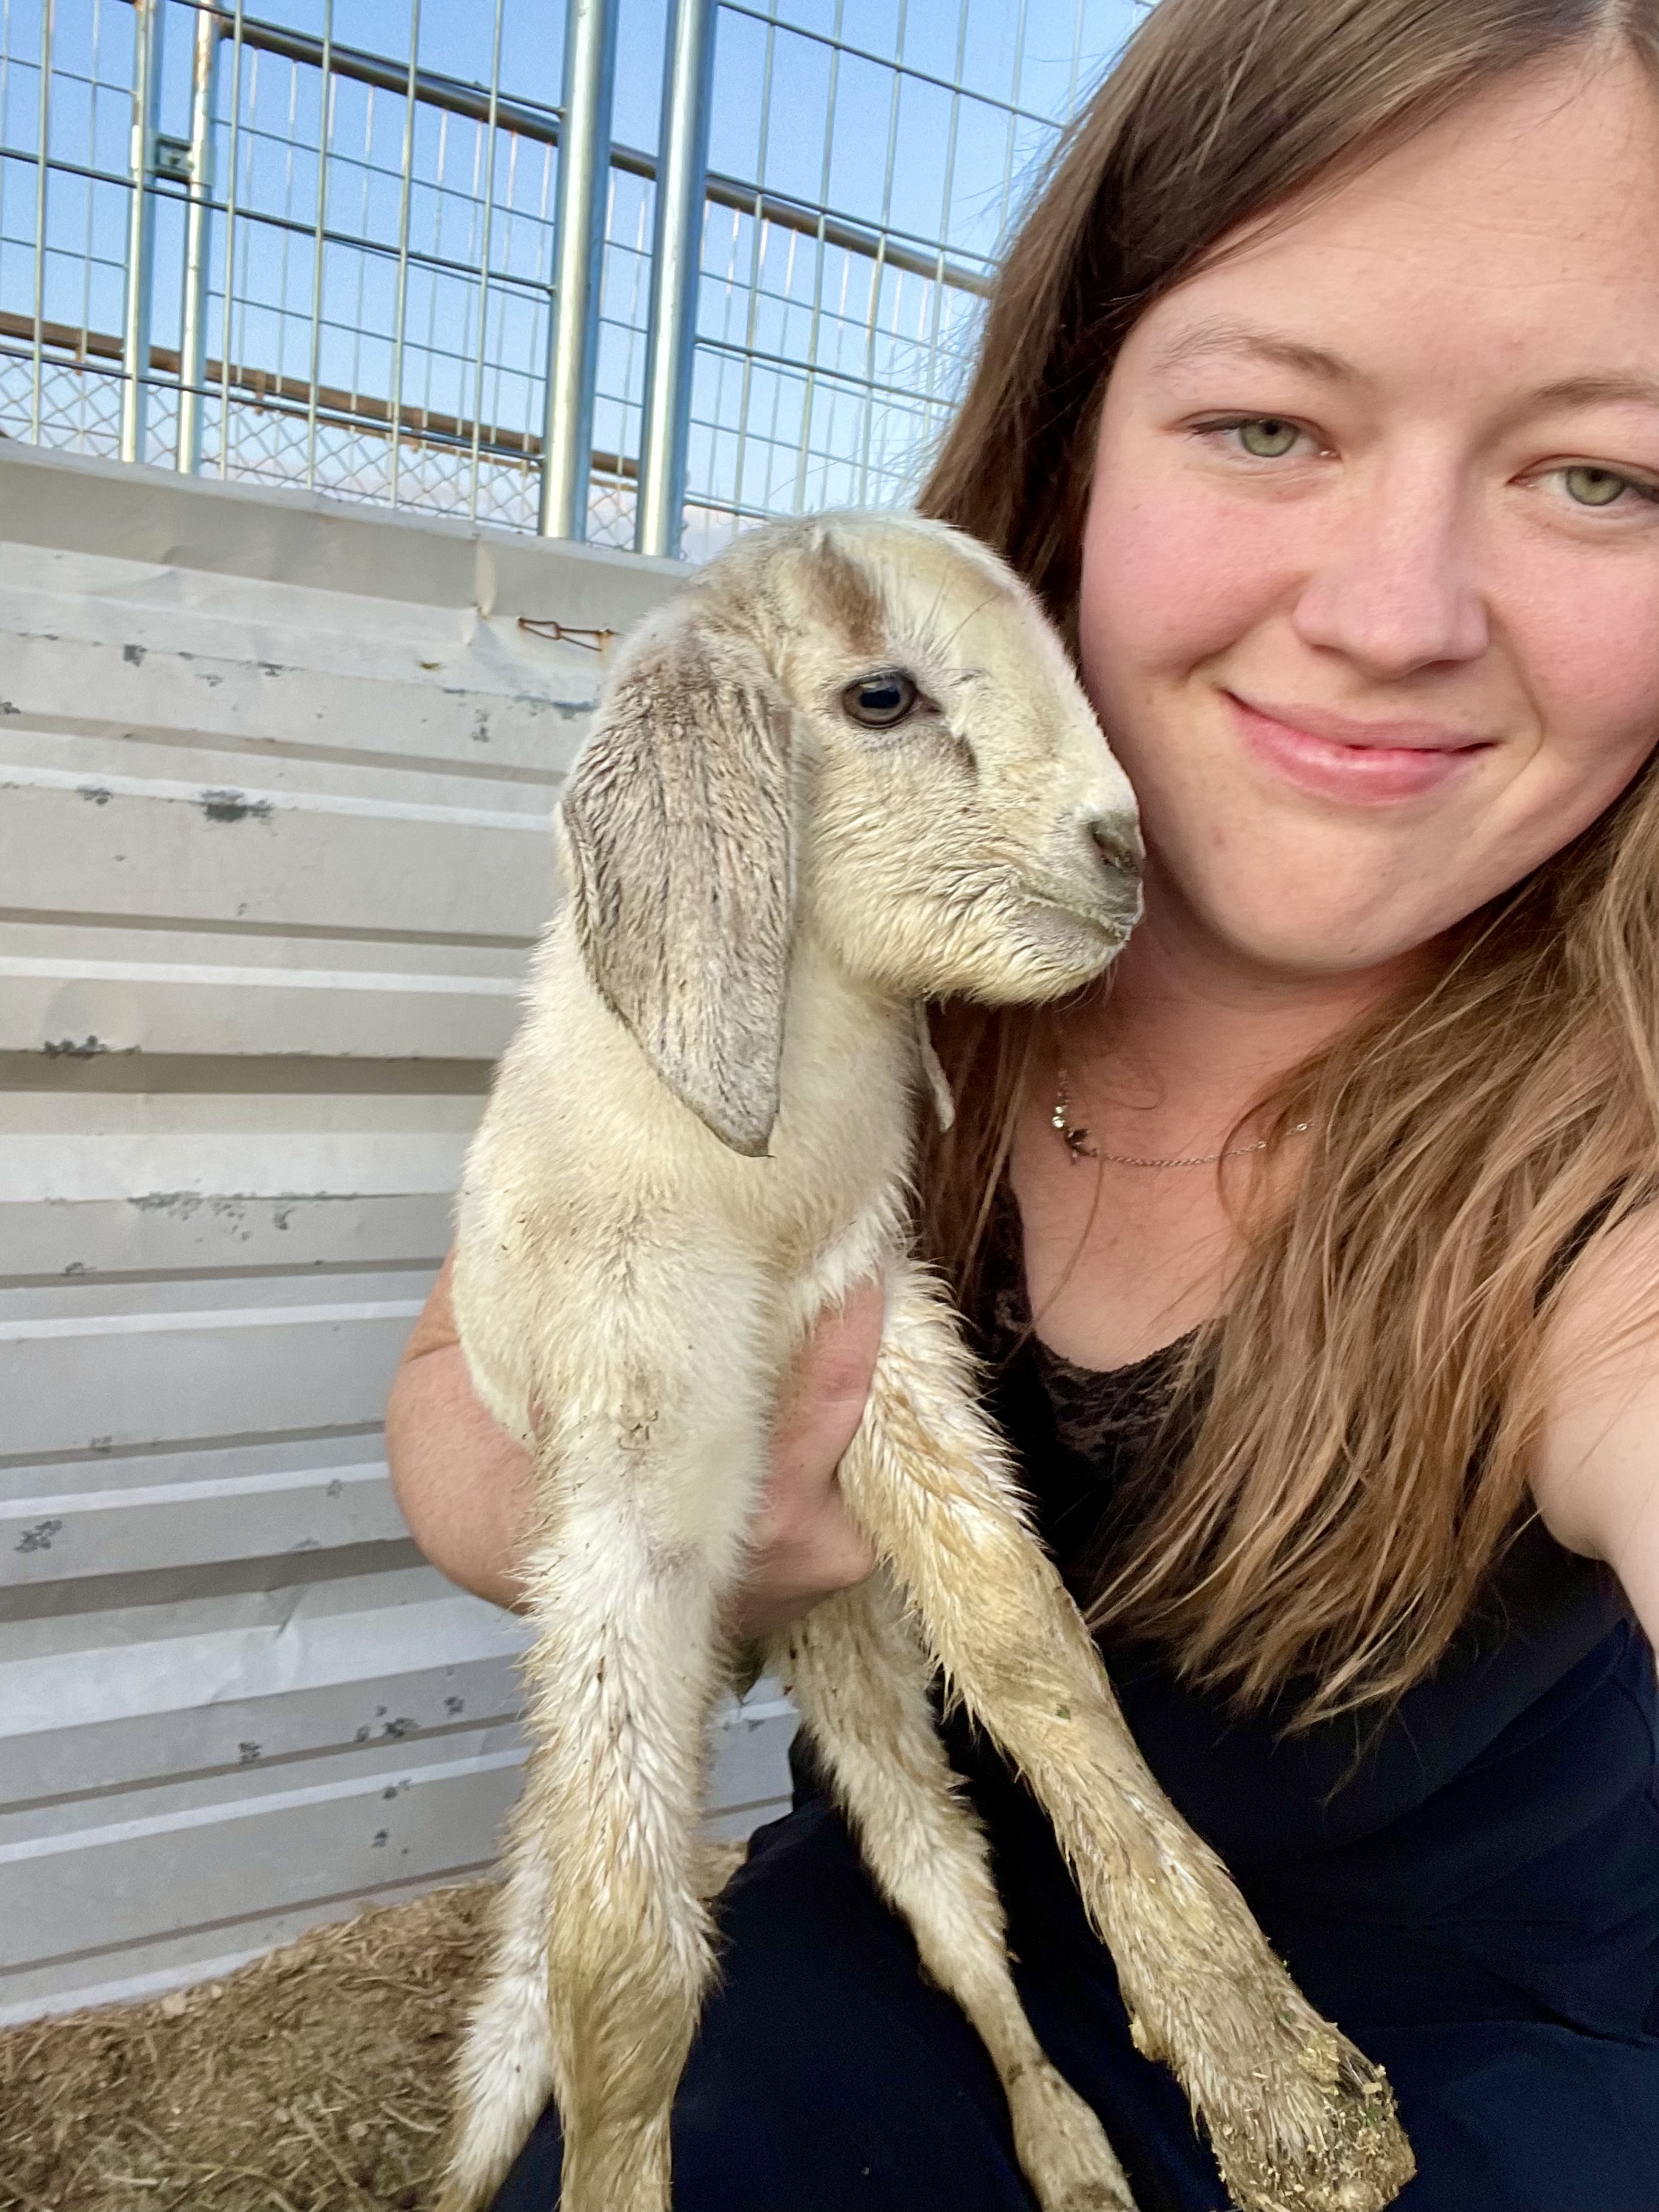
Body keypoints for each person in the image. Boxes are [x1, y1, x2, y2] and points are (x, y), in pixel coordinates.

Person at [385, 1, 1659, 2204]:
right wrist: (603, 1505)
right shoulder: (793, 951)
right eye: (1266, 427)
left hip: (1494, 2046)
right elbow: (462, 1374)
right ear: (1066, 453)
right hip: (916, 1929)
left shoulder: (1611, 1133)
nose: (1389, 614)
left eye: (1602, 475)